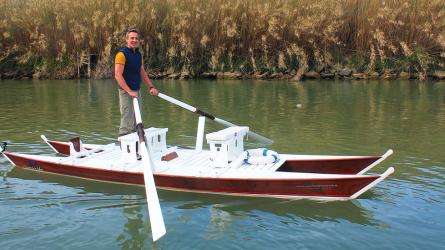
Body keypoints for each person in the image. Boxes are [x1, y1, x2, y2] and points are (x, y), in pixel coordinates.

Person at [114, 29, 159, 139]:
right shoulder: (121, 54)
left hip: (136, 91)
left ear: (139, 41)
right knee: (127, 120)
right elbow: (117, 75)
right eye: (132, 38)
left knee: (137, 120)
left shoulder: (138, 55)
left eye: (136, 38)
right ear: (127, 40)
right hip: (126, 92)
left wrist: (151, 87)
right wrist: (129, 91)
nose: (134, 40)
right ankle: (123, 146)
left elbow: (142, 72)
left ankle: (137, 147)